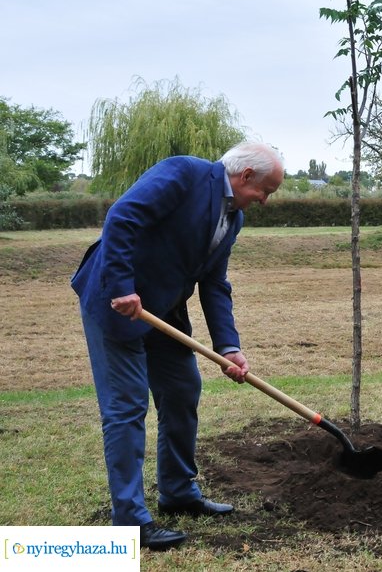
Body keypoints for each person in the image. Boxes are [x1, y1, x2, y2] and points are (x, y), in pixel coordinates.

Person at [71, 142, 285, 550]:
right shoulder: (183, 173)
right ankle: (130, 522)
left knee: (183, 388)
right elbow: (123, 217)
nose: (266, 200)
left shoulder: (233, 218)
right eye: (267, 191)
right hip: (118, 301)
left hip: (162, 309)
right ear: (246, 177)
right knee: (127, 407)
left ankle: (177, 491)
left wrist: (229, 346)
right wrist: (121, 287)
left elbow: (215, 283)